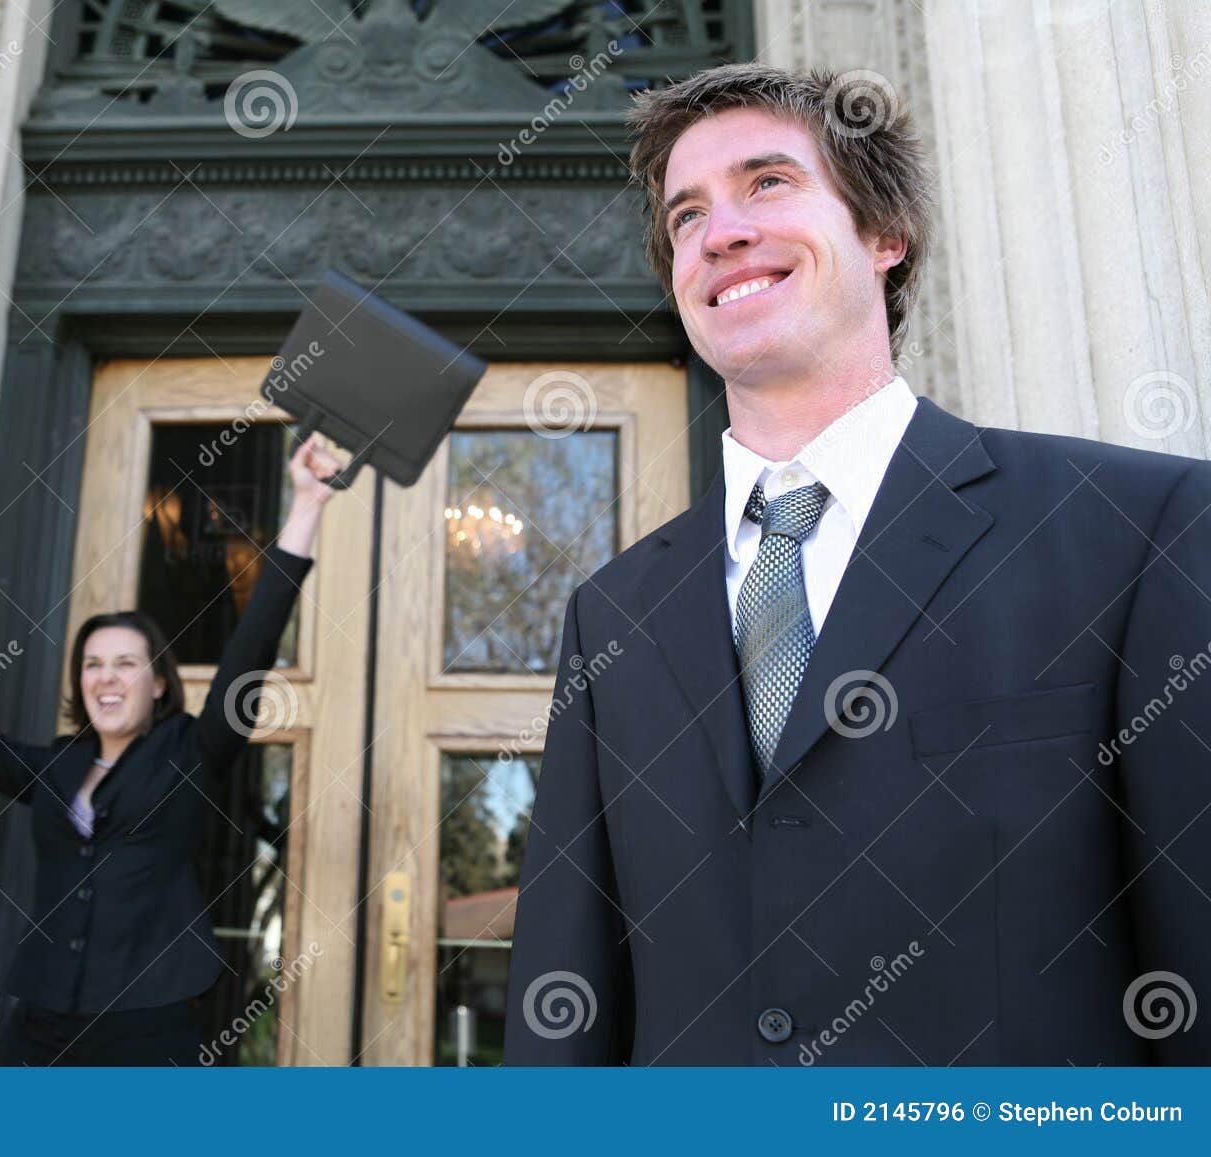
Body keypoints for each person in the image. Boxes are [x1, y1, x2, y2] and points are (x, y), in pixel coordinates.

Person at [504, 62, 1211, 1065]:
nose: (721, 231)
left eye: (768, 183)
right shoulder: (611, 613)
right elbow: (564, 1003)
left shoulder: (1138, 531)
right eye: (685, 215)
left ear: (884, 235)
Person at [0, 434, 340, 1065]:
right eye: (93, 664)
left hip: (149, 1024)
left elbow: (253, 644)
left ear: (158, 684)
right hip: (43, 1020)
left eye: (127, 664)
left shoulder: (190, 751)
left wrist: (307, 504)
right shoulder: (55, 766)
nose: (106, 676)